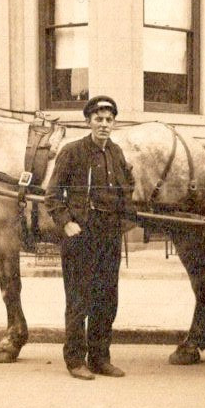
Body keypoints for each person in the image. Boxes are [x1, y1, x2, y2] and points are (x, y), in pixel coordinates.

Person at [45, 95, 135, 381]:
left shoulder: (117, 153)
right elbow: (52, 195)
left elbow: (128, 189)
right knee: (78, 300)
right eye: (98, 119)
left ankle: (100, 358)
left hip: (109, 235)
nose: (104, 125)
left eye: (109, 120)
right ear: (88, 121)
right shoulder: (72, 152)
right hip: (81, 235)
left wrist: (124, 221)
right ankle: (75, 361)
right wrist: (66, 222)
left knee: (107, 299)